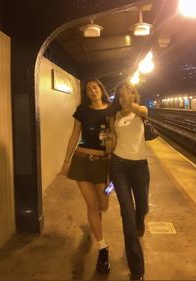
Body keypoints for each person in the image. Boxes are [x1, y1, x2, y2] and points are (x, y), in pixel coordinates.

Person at [60, 78, 112, 274]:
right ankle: (102, 247)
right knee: (91, 205)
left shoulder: (111, 110)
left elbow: (117, 134)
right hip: (81, 161)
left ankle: (95, 221)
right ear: (86, 93)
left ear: (101, 89)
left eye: (95, 87)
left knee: (104, 204)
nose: (92, 91)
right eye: (89, 89)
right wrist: (66, 162)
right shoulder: (82, 110)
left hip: (104, 164)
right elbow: (75, 135)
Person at [109, 81, 150, 280]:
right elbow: (113, 140)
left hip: (140, 167)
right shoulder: (115, 116)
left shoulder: (141, 111)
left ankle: (140, 220)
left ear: (133, 95)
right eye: (120, 96)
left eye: (126, 95)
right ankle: (137, 270)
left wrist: (130, 101)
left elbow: (143, 110)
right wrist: (108, 141)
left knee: (142, 206)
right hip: (118, 166)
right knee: (127, 215)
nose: (122, 99)